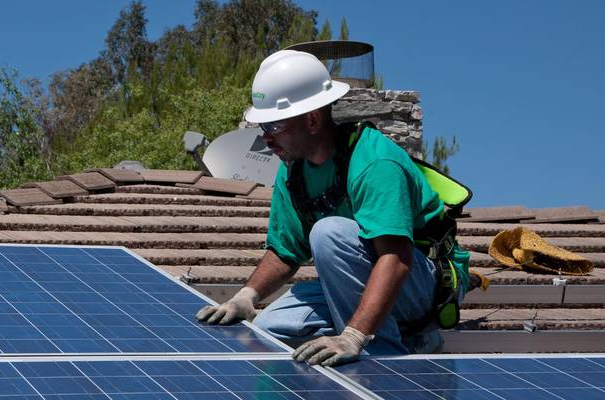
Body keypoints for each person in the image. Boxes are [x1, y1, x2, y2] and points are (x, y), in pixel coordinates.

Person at [195, 50, 469, 366]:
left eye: (274, 125)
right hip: (370, 278)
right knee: (270, 327)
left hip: (425, 282)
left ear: (312, 119)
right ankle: (389, 331)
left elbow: (396, 258)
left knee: (329, 233)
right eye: (263, 126)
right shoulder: (293, 168)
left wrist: (353, 335)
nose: (266, 138)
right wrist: (247, 296)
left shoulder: (375, 162)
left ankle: (389, 357)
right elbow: (285, 252)